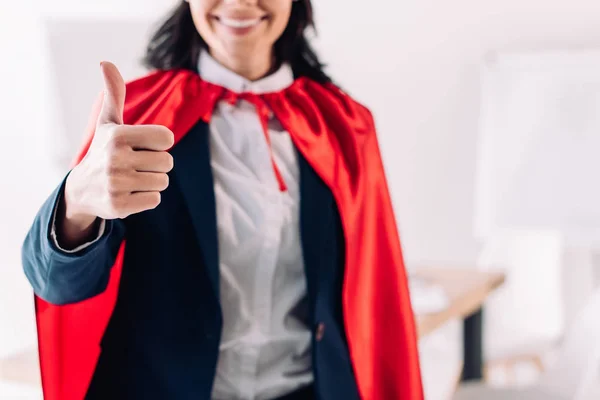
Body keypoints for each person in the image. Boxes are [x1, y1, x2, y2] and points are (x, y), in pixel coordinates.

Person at [22, 0, 423, 399]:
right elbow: (59, 286)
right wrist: (76, 204)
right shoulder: (138, 116)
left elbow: (378, 294)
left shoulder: (344, 126)